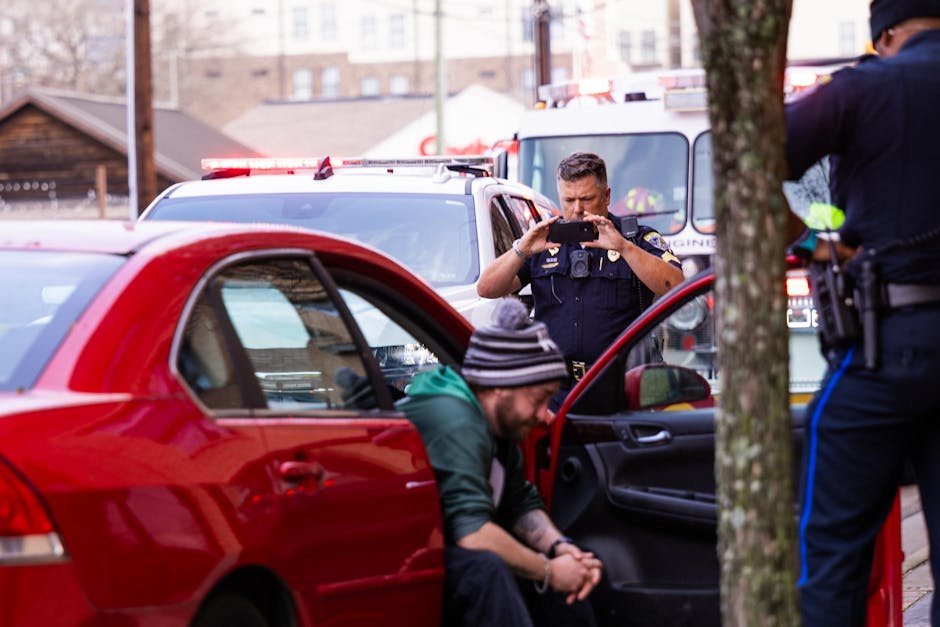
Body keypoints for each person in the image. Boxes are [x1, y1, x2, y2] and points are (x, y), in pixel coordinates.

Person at [784, 1, 940, 623]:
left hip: (883, 347)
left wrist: (811, 243)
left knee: (831, 556)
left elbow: (752, 158)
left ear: (886, 35)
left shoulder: (862, 87)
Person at [397, 297, 603, 627]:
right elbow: (473, 534)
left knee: (556, 579)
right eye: (538, 399)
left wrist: (562, 550)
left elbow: (518, 500)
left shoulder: (498, 426)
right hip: (403, 563)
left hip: (446, 554)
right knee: (488, 570)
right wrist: (550, 571)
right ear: (499, 388)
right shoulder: (458, 421)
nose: (544, 416)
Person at [477, 152, 684, 410]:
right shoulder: (545, 242)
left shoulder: (634, 238)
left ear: (607, 196)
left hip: (620, 388)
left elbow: (675, 285)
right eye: (568, 200)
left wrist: (624, 248)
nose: (577, 209)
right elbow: (486, 288)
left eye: (587, 199)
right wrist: (522, 249)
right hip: (555, 391)